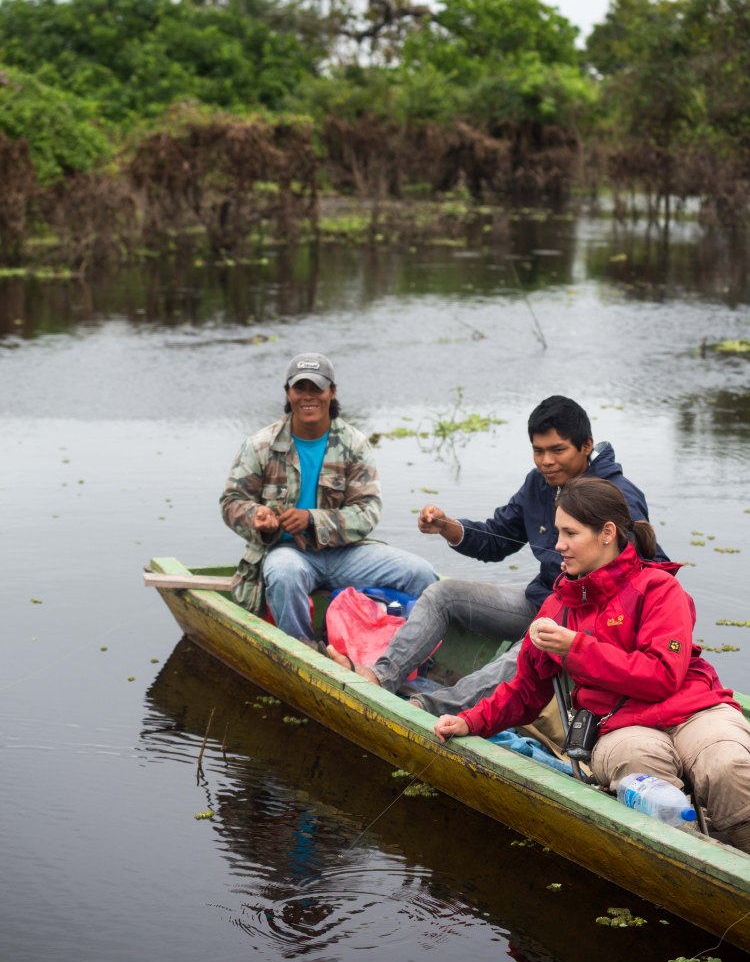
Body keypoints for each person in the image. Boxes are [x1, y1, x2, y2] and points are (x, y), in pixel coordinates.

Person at [433, 477, 750, 853]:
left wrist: (578, 648)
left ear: (607, 533)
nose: (558, 545)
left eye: (570, 533)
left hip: (694, 710)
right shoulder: (556, 610)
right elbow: (526, 690)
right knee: (642, 769)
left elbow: (663, 677)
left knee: (729, 763)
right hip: (620, 726)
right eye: (557, 532)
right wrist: (471, 720)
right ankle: (695, 865)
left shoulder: (660, 589)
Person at [328, 395, 666, 716]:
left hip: (590, 622)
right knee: (444, 595)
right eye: (538, 451)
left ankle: (430, 709)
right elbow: (498, 537)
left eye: (557, 450)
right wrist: (449, 527)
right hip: (544, 600)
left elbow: (649, 576)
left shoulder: (617, 496)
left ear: (586, 446)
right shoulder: (540, 484)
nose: (546, 461)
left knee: (536, 641)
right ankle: (380, 677)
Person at [220, 351, 438, 643]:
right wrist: (256, 517)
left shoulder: (354, 444)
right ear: (288, 393)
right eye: (300, 388)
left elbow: (368, 510)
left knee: (421, 573)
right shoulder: (261, 445)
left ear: (331, 392)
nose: (308, 397)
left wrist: (312, 519)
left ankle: (413, 652)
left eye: (316, 388)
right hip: (287, 553)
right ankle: (304, 653)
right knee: (283, 573)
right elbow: (232, 500)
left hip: (345, 553)